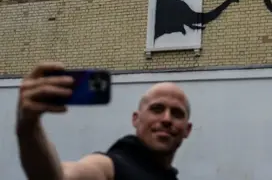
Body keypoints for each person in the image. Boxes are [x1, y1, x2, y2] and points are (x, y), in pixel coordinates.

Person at [15, 62, 193, 180]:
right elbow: (58, 177)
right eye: (157, 109)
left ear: (187, 129)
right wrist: (28, 127)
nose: (167, 119)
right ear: (136, 119)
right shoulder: (112, 166)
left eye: (177, 113)